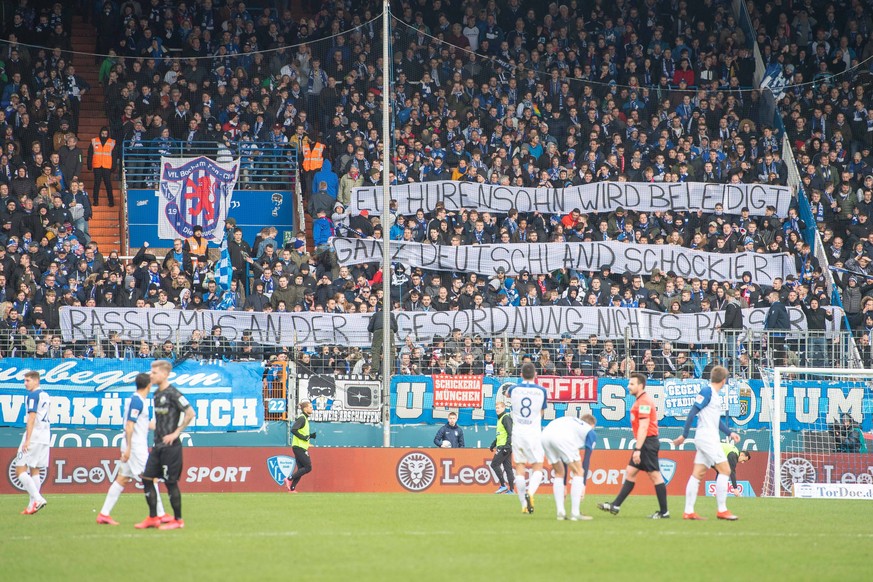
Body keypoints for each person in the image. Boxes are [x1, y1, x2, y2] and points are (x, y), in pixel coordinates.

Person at [97, 373, 168, 525]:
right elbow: (130, 426)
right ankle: (160, 515)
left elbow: (143, 424)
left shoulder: (137, 400)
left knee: (122, 479)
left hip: (134, 444)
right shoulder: (137, 401)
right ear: (148, 385)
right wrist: (128, 449)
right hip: (135, 446)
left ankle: (103, 514)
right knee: (151, 477)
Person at [598, 372, 670, 518]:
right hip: (645, 442)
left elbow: (644, 427)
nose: (628, 386)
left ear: (641, 385)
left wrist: (638, 449)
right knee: (630, 472)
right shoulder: (640, 401)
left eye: (632, 384)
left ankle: (664, 512)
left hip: (647, 443)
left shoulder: (643, 402)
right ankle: (616, 505)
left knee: (655, 476)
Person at [673, 366, 741, 520]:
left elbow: (716, 421)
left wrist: (730, 433)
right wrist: (684, 435)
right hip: (707, 438)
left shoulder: (714, 395)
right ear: (724, 380)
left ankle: (688, 511)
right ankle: (722, 510)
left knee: (698, 474)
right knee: (725, 470)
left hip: (707, 437)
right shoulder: (707, 392)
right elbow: (692, 412)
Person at [136, 360, 195, 530]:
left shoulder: (173, 393)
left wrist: (176, 432)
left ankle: (178, 520)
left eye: (154, 373)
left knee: (170, 483)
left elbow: (190, 413)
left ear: (165, 374)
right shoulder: (155, 395)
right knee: (147, 478)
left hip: (171, 447)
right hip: (157, 445)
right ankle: (153, 517)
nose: (151, 375)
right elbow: (158, 421)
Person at [542, 414, 598, 521]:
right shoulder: (590, 431)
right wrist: (583, 485)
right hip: (561, 438)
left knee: (559, 472)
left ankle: (560, 512)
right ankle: (575, 513)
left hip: (545, 435)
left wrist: (564, 485)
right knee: (579, 471)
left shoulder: (571, 425)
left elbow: (564, 460)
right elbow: (586, 460)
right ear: (592, 425)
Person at [508, 362, 547, 514]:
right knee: (538, 465)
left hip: (518, 432)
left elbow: (507, 394)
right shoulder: (541, 391)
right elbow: (542, 412)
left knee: (519, 466)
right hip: (534, 432)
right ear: (535, 375)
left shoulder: (514, 389)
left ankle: (524, 504)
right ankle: (530, 493)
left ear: (521, 375)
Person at [16, 370, 50, 515]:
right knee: (35, 470)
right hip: (45, 435)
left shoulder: (33, 395)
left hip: (34, 436)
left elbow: (31, 418)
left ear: (36, 380)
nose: (25, 383)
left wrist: (27, 439)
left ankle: (37, 498)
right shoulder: (45, 395)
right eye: (24, 380)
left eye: (28, 380)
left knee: (20, 470)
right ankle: (32, 506)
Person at [284, 401, 316, 492]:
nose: (311, 408)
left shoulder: (305, 419)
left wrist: (307, 443)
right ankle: (289, 478)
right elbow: (293, 430)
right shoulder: (302, 418)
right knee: (308, 467)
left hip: (301, 446)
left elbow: (302, 433)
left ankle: (292, 488)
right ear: (305, 409)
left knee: (301, 469)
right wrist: (304, 438)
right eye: (310, 407)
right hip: (299, 447)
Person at [87, 126, 116, 206]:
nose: (104, 135)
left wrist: (114, 166)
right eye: (103, 133)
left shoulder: (112, 142)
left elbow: (114, 155)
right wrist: (89, 164)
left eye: (105, 134)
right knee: (97, 184)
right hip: (97, 166)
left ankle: (111, 201)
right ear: (100, 133)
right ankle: (95, 201)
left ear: (108, 134)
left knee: (108, 184)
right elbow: (90, 154)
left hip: (107, 166)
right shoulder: (94, 141)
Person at [489, 401, 514, 494]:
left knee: (494, 464)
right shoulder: (500, 419)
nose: (497, 409)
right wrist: (493, 444)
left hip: (504, 446)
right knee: (508, 468)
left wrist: (507, 446)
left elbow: (510, 433)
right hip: (504, 446)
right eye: (496, 408)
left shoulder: (505, 418)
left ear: (503, 408)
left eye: (498, 408)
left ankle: (503, 485)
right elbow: (500, 435)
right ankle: (511, 490)